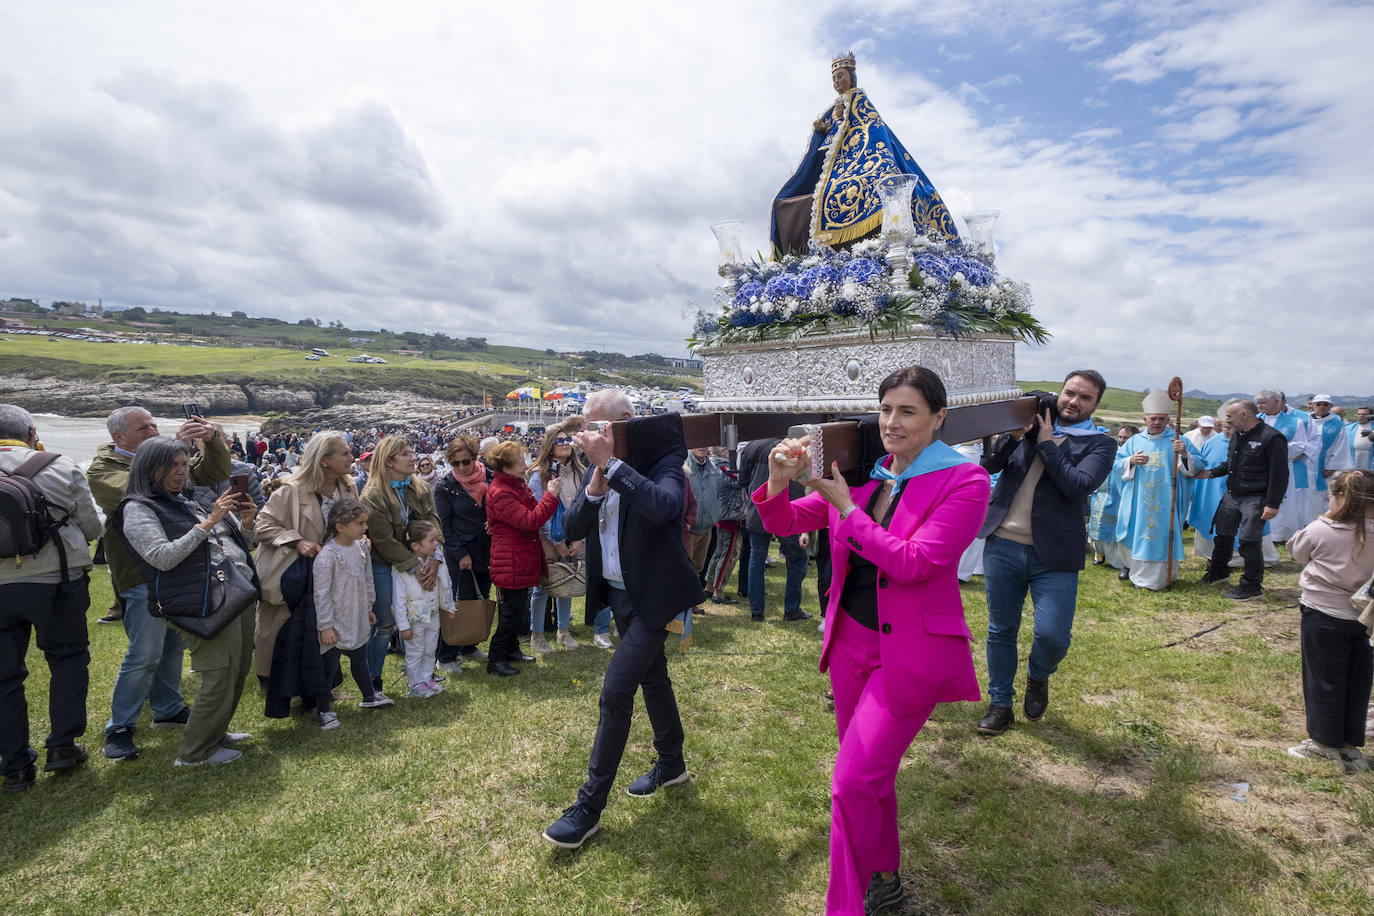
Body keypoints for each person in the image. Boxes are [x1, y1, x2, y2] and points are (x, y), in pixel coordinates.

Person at [752, 367, 988, 914]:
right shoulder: (869, 476)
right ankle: (886, 876)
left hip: (910, 656)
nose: (891, 423)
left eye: (907, 411)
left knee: (850, 782)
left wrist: (848, 511)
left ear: (938, 418)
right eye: (886, 410)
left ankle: (845, 906)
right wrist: (779, 480)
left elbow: (914, 563)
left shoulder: (965, 481)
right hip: (849, 644)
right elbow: (784, 521)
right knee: (871, 779)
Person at [542, 392, 704, 851]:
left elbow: (667, 506)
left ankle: (588, 808)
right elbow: (571, 528)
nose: (585, 436)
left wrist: (613, 467)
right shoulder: (598, 468)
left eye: (595, 426)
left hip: (656, 594)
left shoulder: (663, 457)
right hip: (620, 595)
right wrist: (595, 486)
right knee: (654, 680)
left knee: (616, 692)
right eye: (584, 428)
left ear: (625, 423)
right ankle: (672, 764)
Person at [977, 371, 1117, 736]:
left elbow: (1078, 486)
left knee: (1053, 636)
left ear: (1095, 405)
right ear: (1061, 391)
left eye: (1084, 398)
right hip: (1003, 544)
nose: (1074, 401)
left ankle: (1038, 676)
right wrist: (1014, 438)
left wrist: (1046, 443)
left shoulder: (1101, 443)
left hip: (1055, 553)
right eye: (1070, 392)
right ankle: (1000, 704)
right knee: (1001, 630)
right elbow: (988, 466)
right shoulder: (1032, 419)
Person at [87, 405, 230, 761]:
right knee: (144, 652)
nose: (152, 431)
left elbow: (214, 472)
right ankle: (120, 726)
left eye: (154, 425)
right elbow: (142, 493)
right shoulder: (103, 468)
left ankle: (167, 707)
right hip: (141, 574)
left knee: (171, 647)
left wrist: (211, 444)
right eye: (142, 428)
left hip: (181, 569)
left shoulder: (168, 461)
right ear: (118, 437)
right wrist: (170, 451)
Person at [114, 437, 257, 767]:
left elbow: (237, 543)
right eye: (172, 466)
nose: (181, 473)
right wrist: (209, 521)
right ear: (149, 469)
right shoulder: (137, 508)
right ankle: (195, 753)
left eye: (183, 465)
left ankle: (214, 734)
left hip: (234, 591)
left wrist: (246, 523)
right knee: (219, 671)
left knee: (237, 669)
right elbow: (161, 557)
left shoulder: (187, 500)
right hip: (199, 599)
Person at [0, 406, 103, 793]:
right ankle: (62, 745)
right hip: (56, 579)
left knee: (4, 676)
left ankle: (14, 765)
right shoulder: (58, 466)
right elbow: (92, 526)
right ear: (31, 431)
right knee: (67, 659)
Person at [771, 53, 958, 254]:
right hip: (837, 167)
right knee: (790, 200)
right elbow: (831, 136)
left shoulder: (859, 101)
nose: (837, 81)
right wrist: (821, 129)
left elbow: (871, 131)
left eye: (841, 76)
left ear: (851, 77)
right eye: (834, 78)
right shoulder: (834, 107)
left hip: (860, 162)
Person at [252, 431, 359, 687]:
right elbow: (263, 525)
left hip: (329, 572)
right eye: (344, 453)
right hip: (293, 573)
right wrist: (296, 541)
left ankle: (321, 686)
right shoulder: (291, 491)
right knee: (286, 629)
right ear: (324, 459)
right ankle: (279, 685)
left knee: (324, 627)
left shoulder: (347, 487)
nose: (350, 457)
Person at [1285, 470, 1374, 774]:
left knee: (1323, 678)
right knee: (1357, 680)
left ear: (1339, 498)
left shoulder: (1323, 528)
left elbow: (1297, 551)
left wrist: (1327, 516)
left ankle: (1323, 745)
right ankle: (1350, 747)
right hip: (1363, 618)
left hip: (1323, 612)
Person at [360, 436, 442, 692]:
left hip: (417, 562)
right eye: (406, 454)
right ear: (389, 461)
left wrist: (435, 557)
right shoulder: (373, 495)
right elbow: (384, 541)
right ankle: (373, 680)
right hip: (384, 565)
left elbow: (432, 521)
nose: (413, 457)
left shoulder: (417, 487)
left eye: (412, 452)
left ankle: (420, 674)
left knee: (420, 618)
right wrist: (418, 567)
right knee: (385, 623)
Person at [313, 499, 395, 730]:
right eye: (360, 523)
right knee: (329, 667)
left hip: (357, 615)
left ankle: (369, 696)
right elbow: (321, 594)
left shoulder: (361, 548)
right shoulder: (327, 556)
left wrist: (368, 606)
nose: (365, 528)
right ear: (340, 526)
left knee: (359, 659)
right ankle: (323, 709)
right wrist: (326, 625)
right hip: (335, 622)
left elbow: (368, 578)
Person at [1197, 399, 1290, 600]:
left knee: (1249, 540)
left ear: (1244, 415)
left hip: (1255, 498)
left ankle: (1251, 586)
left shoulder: (1272, 438)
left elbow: (1280, 473)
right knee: (1222, 535)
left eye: (1230, 416)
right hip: (1233, 494)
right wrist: (1210, 473)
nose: (1227, 421)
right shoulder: (1238, 435)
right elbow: (1230, 463)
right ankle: (1218, 572)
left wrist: (1273, 503)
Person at [1113, 390, 1204, 590]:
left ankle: (1161, 579)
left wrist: (1185, 454)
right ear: (1145, 419)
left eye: (1161, 419)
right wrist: (1130, 461)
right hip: (1139, 500)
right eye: (1153, 418)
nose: (1157, 422)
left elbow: (1198, 467)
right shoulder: (1135, 442)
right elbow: (1115, 464)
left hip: (1167, 502)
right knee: (1138, 534)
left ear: (1168, 420)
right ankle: (1137, 575)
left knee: (1162, 537)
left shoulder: (1178, 440)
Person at [485, 440, 561, 677]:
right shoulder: (501, 491)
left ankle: (511, 650)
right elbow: (530, 520)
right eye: (520, 461)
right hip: (511, 558)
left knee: (516, 609)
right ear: (506, 467)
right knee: (510, 612)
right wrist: (551, 495)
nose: (525, 464)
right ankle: (496, 658)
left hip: (517, 556)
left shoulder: (515, 485)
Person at [433, 435, 493, 671]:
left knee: (479, 598)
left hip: (487, 548)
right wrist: (459, 555)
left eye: (465, 462)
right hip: (461, 551)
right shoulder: (445, 486)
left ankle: (469, 644)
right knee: (458, 602)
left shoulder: (490, 476)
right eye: (455, 463)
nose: (460, 467)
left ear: (475, 458)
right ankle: (446, 654)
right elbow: (444, 526)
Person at [527, 421, 587, 654]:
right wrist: (556, 542)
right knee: (543, 587)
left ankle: (564, 631)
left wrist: (580, 538)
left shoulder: (580, 472)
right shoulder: (538, 476)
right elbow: (541, 512)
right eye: (559, 441)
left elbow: (585, 507)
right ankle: (537, 635)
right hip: (547, 539)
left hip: (575, 536)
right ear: (549, 446)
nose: (565, 444)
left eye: (567, 441)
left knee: (568, 582)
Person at [739, 436, 811, 622]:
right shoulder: (792, 450)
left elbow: (743, 481)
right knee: (797, 558)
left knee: (756, 559)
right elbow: (796, 485)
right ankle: (791, 609)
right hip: (784, 510)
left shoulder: (751, 446)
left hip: (758, 508)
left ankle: (756, 612)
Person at [393, 519, 453, 698]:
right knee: (415, 652)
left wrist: (448, 606)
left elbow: (445, 584)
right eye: (431, 541)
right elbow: (398, 600)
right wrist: (403, 626)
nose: (436, 544)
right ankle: (415, 684)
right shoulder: (403, 570)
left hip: (433, 616)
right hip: (414, 620)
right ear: (415, 545)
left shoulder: (436, 564)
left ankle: (427, 678)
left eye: (436, 540)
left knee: (429, 649)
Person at [1256, 389, 1314, 542]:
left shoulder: (1295, 422)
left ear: (1276, 402)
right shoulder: (1255, 420)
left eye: (1263, 403)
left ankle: (1281, 534)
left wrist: (1275, 451)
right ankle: (1259, 531)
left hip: (1282, 467)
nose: (1259, 406)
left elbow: (1301, 444)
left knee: (1283, 499)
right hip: (1258, 468)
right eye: (1258, 403)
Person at [1087, 425, 1135, 569]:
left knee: (1113, 527)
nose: (1121, 440)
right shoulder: (1112, 449)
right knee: (1097, 523)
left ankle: (1119, 561)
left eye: (1125, 437)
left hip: (1119, 496)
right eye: (1119, 436)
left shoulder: (1134, 453)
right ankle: (1099, 554)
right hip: (1101, 492)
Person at [1188, 415, 1232, 560]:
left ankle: (1237, 558)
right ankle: (1210, 553)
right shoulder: (1212, 442)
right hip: (1210, 489)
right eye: (1226, 427)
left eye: (1231, 426)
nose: (1228, 430)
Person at [1306, 395, 1354, 520]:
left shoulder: (1336, 423)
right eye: (1318, 404)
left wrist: (1333, 467)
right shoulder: (1304, 420)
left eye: (1325, 404)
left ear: (1330, 406)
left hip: (1325, 468)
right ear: (1313, 405)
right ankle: (1304, 522)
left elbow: (1341, 446)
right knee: (1304, 496)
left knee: (1323, 497)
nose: (1321, 407)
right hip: (1304, 464)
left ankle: (1323, 520)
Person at [1348, 406, 1373, 471]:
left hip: (1370, 461)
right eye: (1359, 414)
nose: (1361, 416)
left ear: (1370, 416)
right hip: (1353, 460)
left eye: (1364, 414)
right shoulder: (1348, 428)